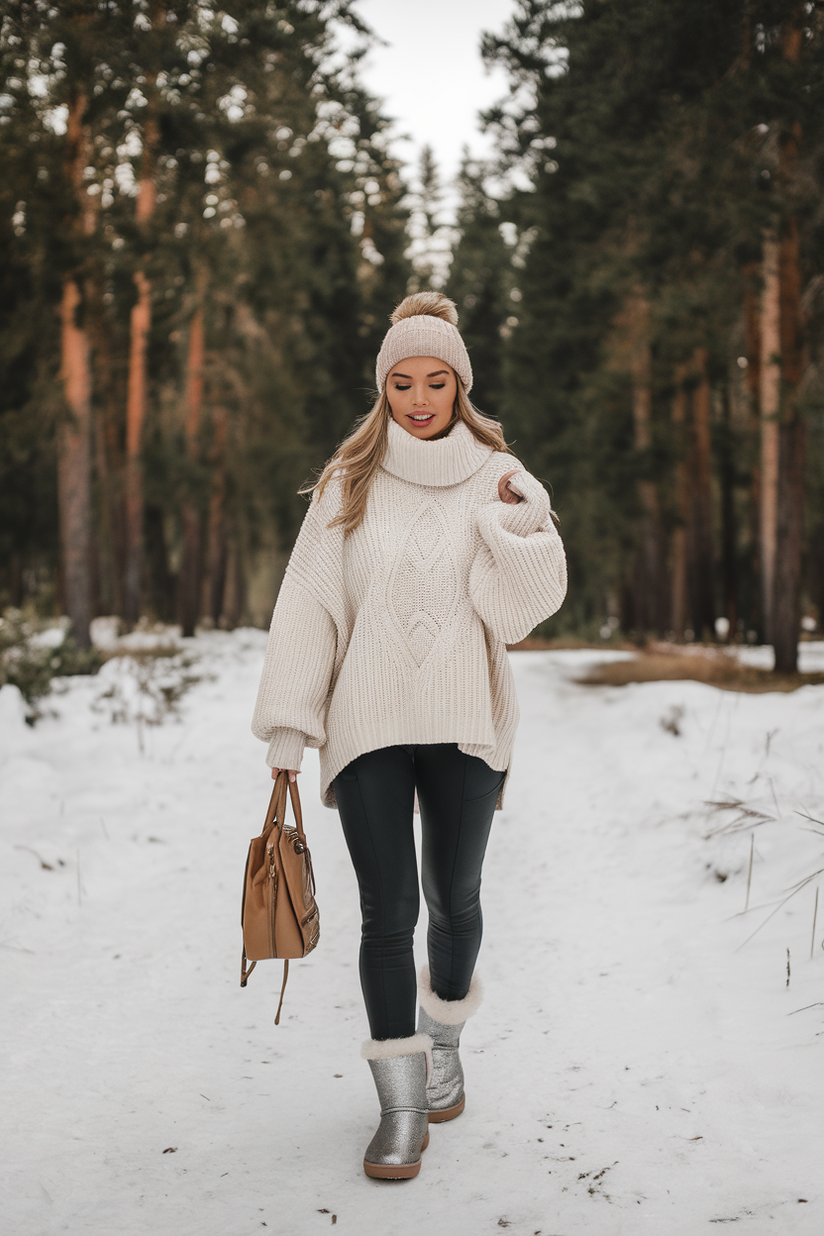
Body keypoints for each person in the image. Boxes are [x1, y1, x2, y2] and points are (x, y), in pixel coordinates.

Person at [251, 292, 567, 1179]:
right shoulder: (347, 484)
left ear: (460, 385)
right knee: (386, 916)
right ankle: (399, 1107)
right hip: (368, 724)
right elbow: (309, 608)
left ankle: (446, 1041)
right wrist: (288, 724)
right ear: (382, 388)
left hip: (467, 723)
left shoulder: (495, 473)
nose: (419, 399)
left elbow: (518, 613)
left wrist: (526, 520)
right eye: (402, 382)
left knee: (453, 902)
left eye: (436, 381)